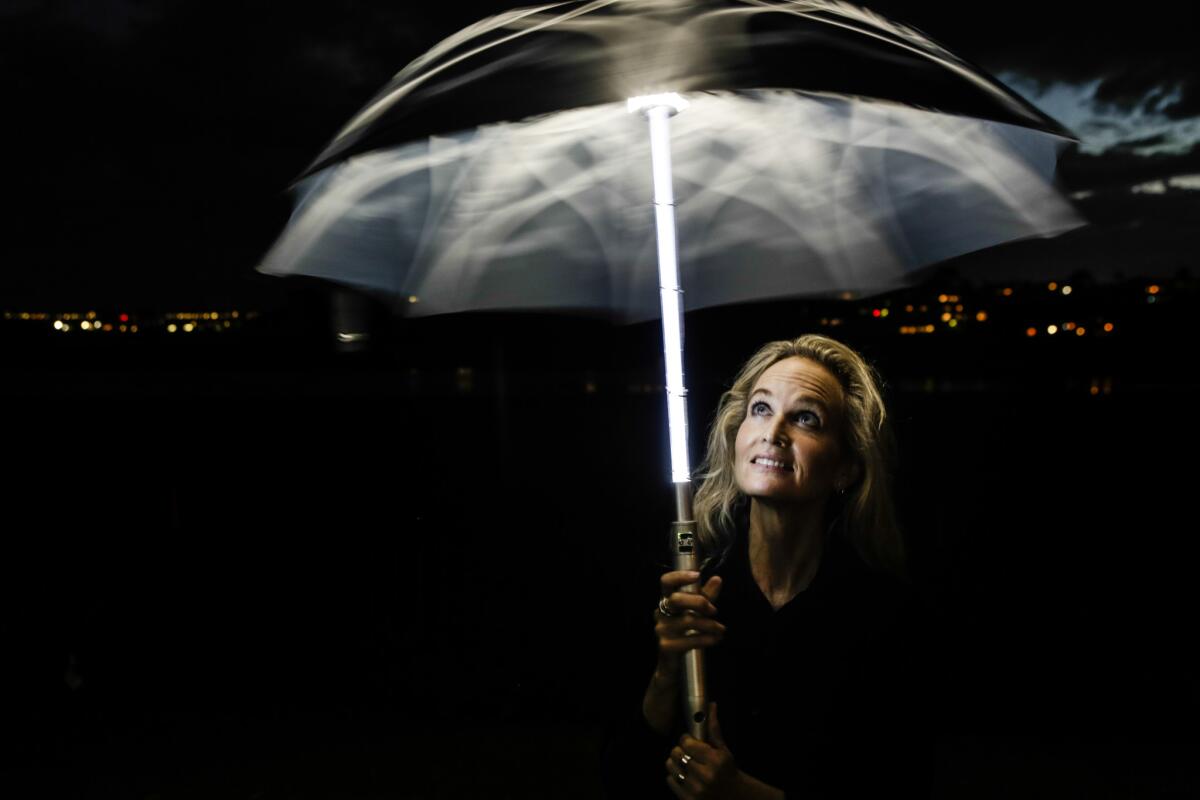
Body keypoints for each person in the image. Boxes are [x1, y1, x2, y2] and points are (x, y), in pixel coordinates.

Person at [602, 334, 933, 799]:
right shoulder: (683, 593)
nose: (772, 433)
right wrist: (665, 674)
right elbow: (620, 777)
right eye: (760, 409)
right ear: (737, 435)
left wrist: (741, 794)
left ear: (845, 468)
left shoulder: (886, 617)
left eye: (804, 419)